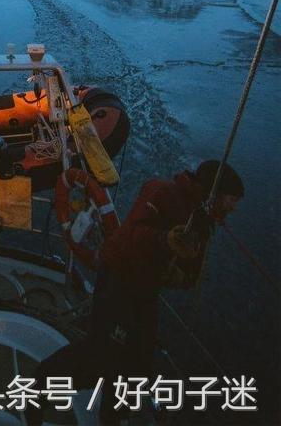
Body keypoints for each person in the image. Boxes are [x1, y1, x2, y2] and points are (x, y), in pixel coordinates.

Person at [27, 160, 244, 426]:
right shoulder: (162, 192)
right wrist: (166, 240)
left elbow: (187, 261)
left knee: (138, 359)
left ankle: (113, 416)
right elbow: (136, 234)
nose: (233, 207)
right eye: (232, 199)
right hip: (120, 278)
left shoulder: (201, 215)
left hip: (145, 286)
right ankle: (38, 389)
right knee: (103, 353)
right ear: (214, 192)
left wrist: (182, 276)